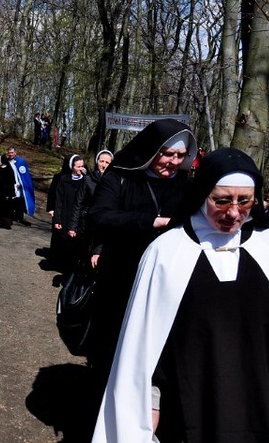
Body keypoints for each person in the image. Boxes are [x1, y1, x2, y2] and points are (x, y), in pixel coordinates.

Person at [93, 147, 269, 443]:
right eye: (222, 201)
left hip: (268, 411)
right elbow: (146, 345)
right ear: (202, 194)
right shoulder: (167, 252)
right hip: (190, 412)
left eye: (245, 201)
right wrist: (149, 402)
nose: (234, 212)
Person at [86, 118, 196, 382]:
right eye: (168, 154)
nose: (174, 161)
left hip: (167, 282)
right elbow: (98, 217)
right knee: (113, 349)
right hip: (121, 278)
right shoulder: (121, 177)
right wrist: (151, 222)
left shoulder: (186, 186)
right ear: (151, 150)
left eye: (181, 155)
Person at [68, 149, 114, 268]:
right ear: (97, 161)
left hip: (102, 226)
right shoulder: (88, 179)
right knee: (81, 257)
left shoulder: (113, 182)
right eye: (101, 161)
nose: (103, 165)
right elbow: (78, 203)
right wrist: (73, 226)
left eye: (107, 162)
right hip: (86, 224)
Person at [51, 154, 86, 273]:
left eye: (82, 166)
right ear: (72, 167)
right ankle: (60, 264)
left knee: (74, 242)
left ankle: (69, 267)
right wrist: (57, 219)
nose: (81, 168)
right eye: (78, 166)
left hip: (77, 215)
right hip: (65, 213)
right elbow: (59, 200)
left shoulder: (85, 180)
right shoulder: (64, 179)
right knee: (63, 240)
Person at [7, 146, 36, 226]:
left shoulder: (21, 162)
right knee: (11, 200)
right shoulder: (7, 162)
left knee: (20, 201)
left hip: (19, 186)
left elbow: (24, 175)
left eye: (12, 153)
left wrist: (20, 184)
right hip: (11, 185)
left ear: (15, 153)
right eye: (9, 153)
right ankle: (10, 216)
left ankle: (19, 217)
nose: (10, 154)